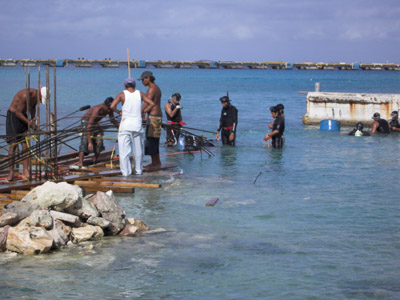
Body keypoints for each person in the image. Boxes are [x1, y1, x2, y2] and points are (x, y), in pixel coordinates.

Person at [110, 78, 155, 176]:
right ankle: (139, 171)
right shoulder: (140, 94)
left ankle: (126, 173)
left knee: (124, 152)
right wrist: (142, 111)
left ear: (124, 86)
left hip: (125, 125)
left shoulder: (121, 94)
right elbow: (152, 103)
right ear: (135, 85)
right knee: (138, 151)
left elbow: (112, 106)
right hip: (137, 125)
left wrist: (119, 112)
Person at [6, 87, 47, 181]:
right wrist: (29, 123)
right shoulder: (25, 95)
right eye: (40, 99)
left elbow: (33, 107)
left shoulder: (35, 97)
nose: (40, 101)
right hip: (14, 116)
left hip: (23, 116)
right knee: (14, 145)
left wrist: (33, 118)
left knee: (25, 145)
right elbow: (17, 112)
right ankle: (11, 173)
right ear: (39, 94)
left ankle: (25, 171)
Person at [78, 97, 119, 168]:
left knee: (100, 141)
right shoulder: (97, 110)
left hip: (95, 123)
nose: (110, 110)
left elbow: (112, 120)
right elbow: (89, 126)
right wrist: (90, 142)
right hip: (87, 123)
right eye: (110, 108)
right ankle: (81, 163)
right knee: (85, 142)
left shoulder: (110, 109)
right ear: (105, 105)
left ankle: (94, 160)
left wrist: (120, 126)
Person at [138, 71, 163, 170]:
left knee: (151, 139)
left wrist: (139, 112)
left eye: (143, 79)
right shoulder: (156, 88)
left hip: (153, 116)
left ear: (148, 78)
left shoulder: (151, 89)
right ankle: (157, 162)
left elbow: (147, 104)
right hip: (156, 115)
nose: (142, 82)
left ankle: (154, 163)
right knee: (154, 139)